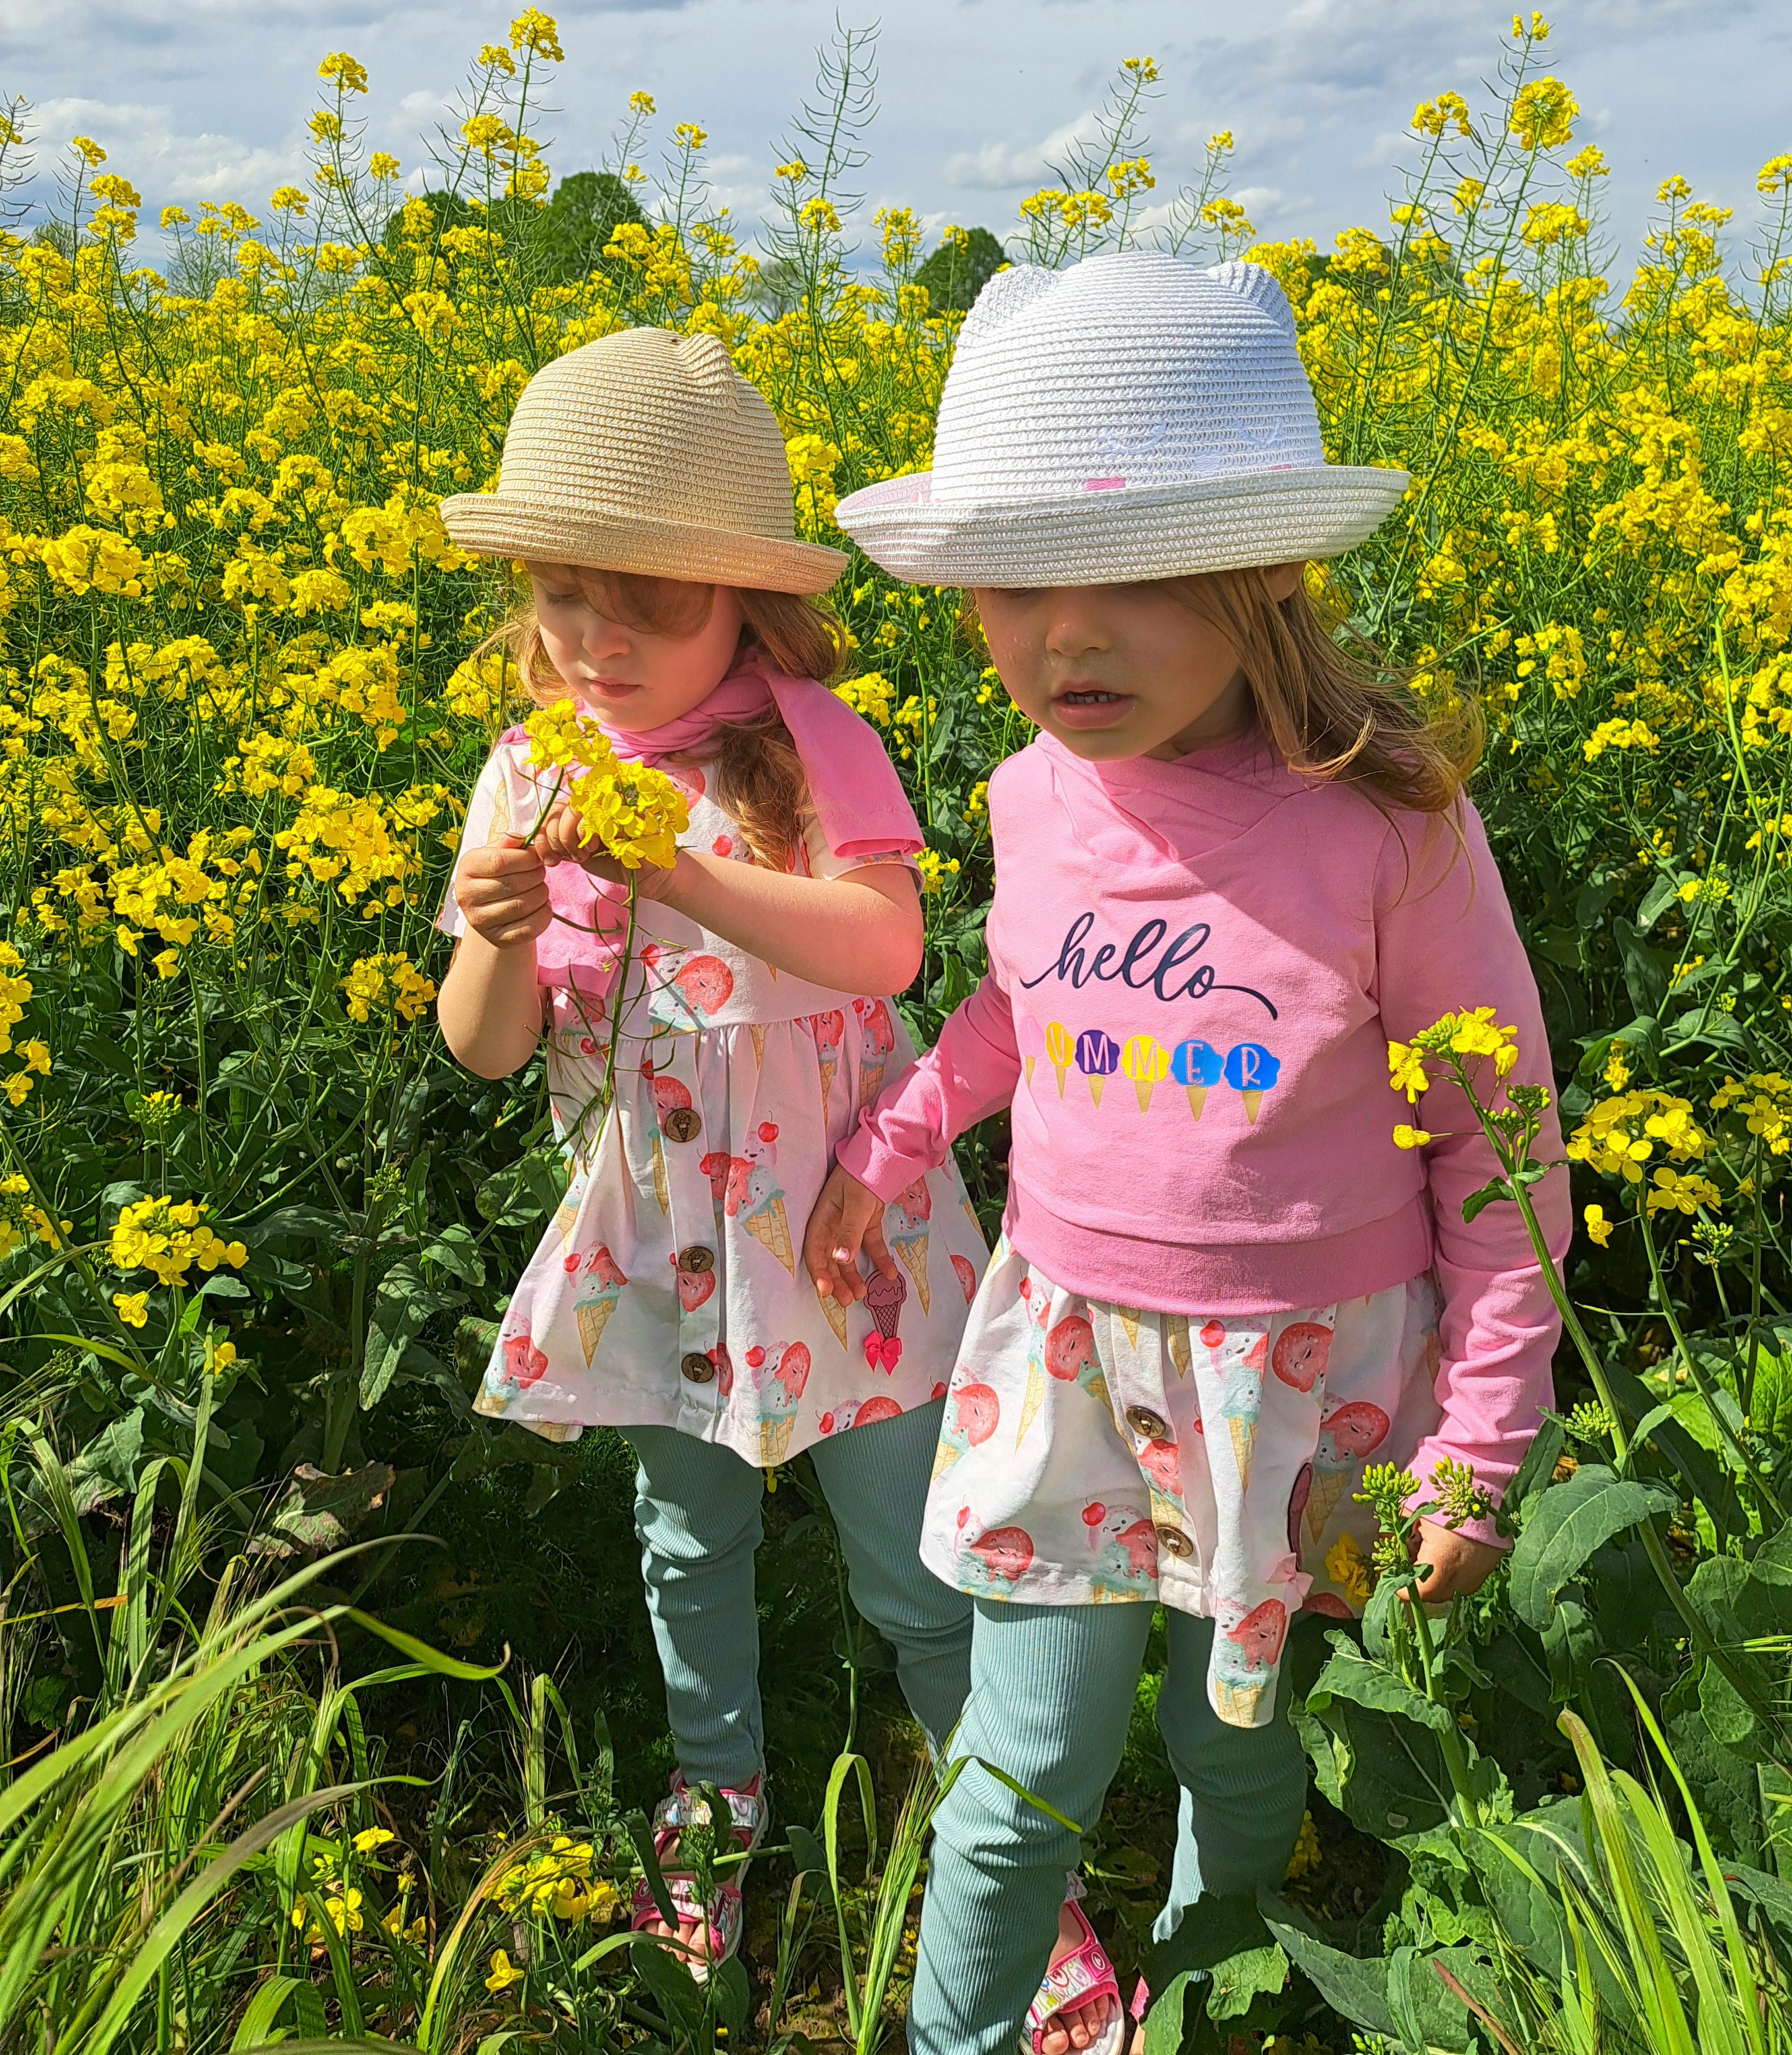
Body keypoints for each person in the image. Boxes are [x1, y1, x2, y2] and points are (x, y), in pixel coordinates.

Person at [801, 254, 1570, 2055]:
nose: (1062, 638)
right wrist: (903, 1135)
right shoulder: (1027, 793)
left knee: (1246, 1745)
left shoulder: (1390, 830)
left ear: (1266, 575)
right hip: (1068, 1349)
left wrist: (1484, 1442)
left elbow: (1497, 1148)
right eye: (1012, 586)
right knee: (1015, 1775)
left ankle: (1208, 1978)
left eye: (1132, 583)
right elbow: (1020, 999)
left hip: (1296, 1385)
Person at [435, 325, 989, 1972]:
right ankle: (715, 1794)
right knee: (691, 1542)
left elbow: (884, 949)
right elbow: (491, 1047)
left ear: (747, 598)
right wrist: (493, 929)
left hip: (844, 1225)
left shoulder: (810, 743)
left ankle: (1001, 1850)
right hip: (664, 1242)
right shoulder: (532, 765)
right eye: (560, 588)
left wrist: (676, 865)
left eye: (652, 600)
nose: (597, 637)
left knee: (918, 1566)